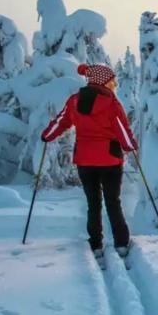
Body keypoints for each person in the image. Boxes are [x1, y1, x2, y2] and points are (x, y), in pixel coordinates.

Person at [41, 63, 138, 266]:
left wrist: (47, 136)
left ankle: (96, 244)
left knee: (93, 203)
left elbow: (61, 122)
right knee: (113, 202)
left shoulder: (75, 101)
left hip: (85, 161)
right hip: (110, 160)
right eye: (112, 81)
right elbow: (122, 129)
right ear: (103, 81)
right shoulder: (111, 103)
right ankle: (121, 243)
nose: (114, 85)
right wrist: (130, 146)